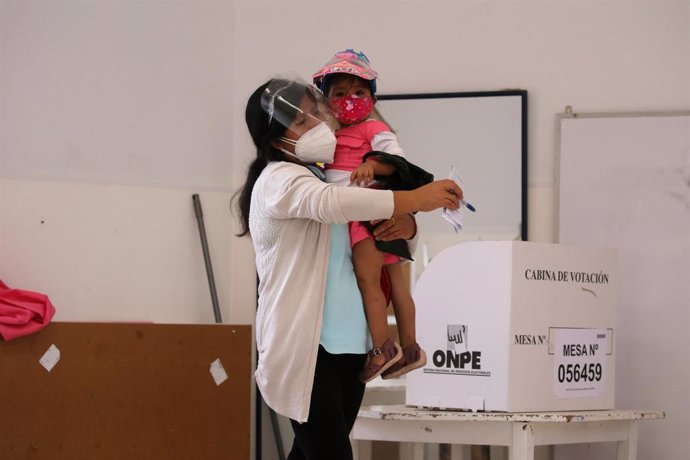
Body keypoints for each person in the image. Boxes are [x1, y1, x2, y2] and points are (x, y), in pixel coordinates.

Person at [234, 75, 462, 459]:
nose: (319, 125)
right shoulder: (280, 179)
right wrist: (416, 198)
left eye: (314, 114)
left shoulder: (328, 174)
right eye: (303, 122)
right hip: (308, 349)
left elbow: (380, 236)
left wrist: (407, 225)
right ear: (277, 141)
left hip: (351, 343)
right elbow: (333, 204)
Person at [313, 49, 430, 383]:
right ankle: (411, 350)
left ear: (372, 97)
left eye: (359, 92)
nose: (350, 99)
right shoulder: (330, 136)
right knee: (395, 285)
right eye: (339, 93)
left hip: (368, 214)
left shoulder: (373, 127)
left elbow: (397, 162)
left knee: (370, 282)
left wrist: (371, 165)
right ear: (327, 100)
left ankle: (382, 349)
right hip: (367, 213)